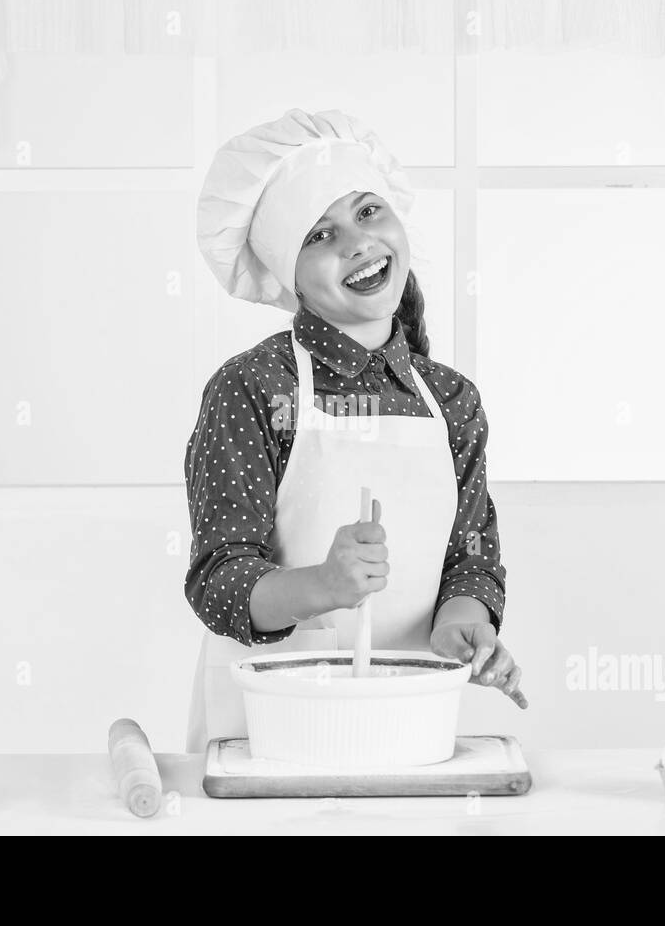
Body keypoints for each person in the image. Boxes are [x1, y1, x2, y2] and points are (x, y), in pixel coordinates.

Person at [184, 108, 525, 754]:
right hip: (270, 734)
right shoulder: (254, 390)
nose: (357, 242)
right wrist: (324, 586)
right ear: (291, 277)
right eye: (319, 235)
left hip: (407, 727)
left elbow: (470, 561)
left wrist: (462, 624)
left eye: (368, 212)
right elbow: (218, 579)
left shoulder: (452, 400)